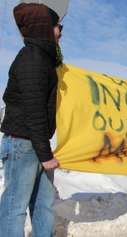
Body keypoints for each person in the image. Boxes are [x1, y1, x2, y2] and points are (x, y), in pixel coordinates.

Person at [0, 3, 63, 236]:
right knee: (14, 208)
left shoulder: (44, 59)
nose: (61, 32)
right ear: (45, 27)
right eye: (59, 26)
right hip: (22, 143)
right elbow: (34, 109)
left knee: (43, 205)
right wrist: (45, 155)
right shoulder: (32, 58)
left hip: (36, 143)